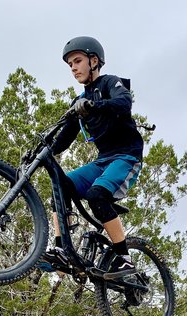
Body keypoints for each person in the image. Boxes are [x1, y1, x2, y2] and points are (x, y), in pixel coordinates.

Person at [36, 36, 144, 280]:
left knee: (97, 195)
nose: (73, 68)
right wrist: (44, 152)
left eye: (77, 61)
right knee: (59, 186)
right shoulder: (79, 102)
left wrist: (94, 106)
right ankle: (61, 249)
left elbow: (124, 102)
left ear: (93, 61)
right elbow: (66, 137)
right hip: (103, 159)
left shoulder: (109, 83)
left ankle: (125, 259)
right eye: (70, 64)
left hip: (127, 156)